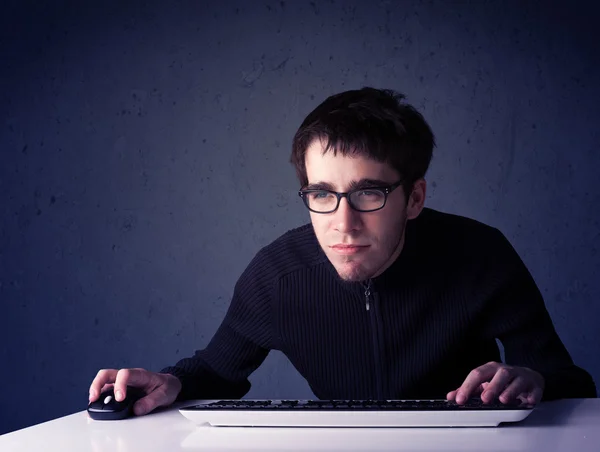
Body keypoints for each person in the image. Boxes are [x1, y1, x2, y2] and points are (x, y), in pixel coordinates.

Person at [88, 87, 597, 416]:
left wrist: (532, 379)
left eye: (369, 193)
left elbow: (572, 386)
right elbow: (217, 371)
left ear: (414, 197)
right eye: (322, 195)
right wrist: (168, 381)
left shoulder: (481, 257)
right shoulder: (276, 276)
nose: (342, 223)